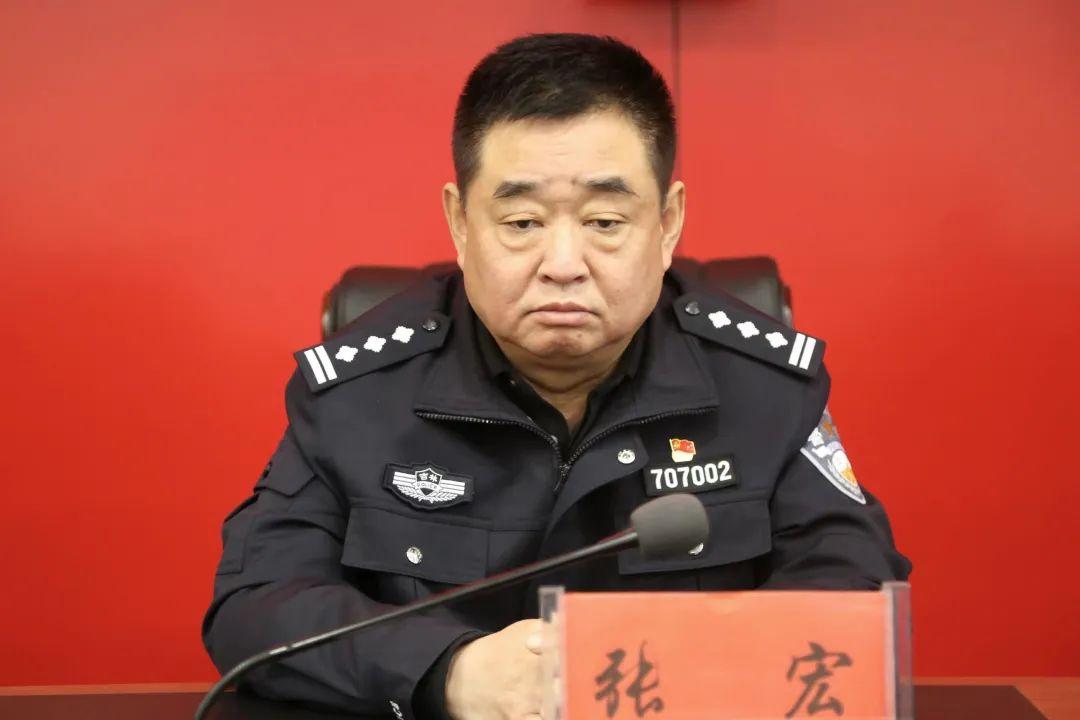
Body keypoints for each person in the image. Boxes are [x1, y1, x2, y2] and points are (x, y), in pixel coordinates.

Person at [203, 32, 910, 720]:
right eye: (521, 222)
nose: (563, 264)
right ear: (460, 223)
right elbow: (257, 605)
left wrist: (665, 672)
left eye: (604, 221)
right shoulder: (359, 395)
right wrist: (447, 671)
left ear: (667, 223)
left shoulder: (764, 388)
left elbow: (855, 589)